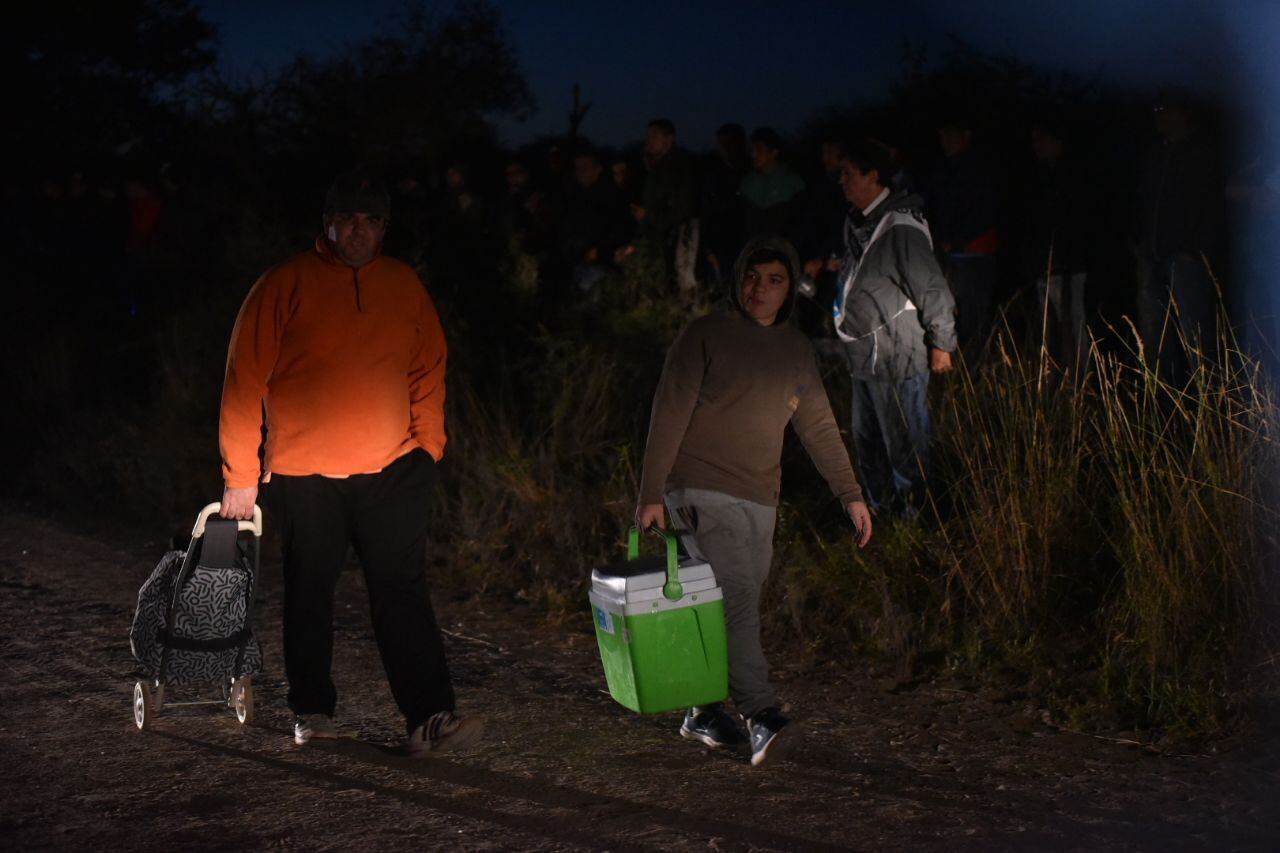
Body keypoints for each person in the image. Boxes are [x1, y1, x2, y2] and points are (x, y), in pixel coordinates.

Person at [217, 172, 482, 756]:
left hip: (391, 468)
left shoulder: (402, 283)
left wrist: (426, 444)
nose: (359, 231)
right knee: (311, 589)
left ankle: (429, 719)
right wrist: (240, 476)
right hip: (305, 472)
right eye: (349, 219)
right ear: (328, 223)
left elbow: (429, 363)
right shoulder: (284, 283)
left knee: (402, 590)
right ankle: (312, 710)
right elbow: (243, 379)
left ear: (384, 228)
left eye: (372, 221)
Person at [635, 234, 873, 767]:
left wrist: (850, 494)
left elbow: (819, 427)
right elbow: (668, 411)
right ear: (737, 278)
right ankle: (762, 713)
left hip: (760, 495)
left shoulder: (793, 349)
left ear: (790, 287)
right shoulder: (706, 335)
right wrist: (651, 492)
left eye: (773, 280)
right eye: (751, 276)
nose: (759, 289)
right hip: (697, 487)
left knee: (731, 605)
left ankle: (701, 710)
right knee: (738, 597)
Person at [832, 141, 957, 518]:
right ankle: (879, 511)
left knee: (904, 441)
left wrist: (942, 343)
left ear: (873, 176)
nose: (841, 181)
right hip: (864, 357)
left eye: (848, 174)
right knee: (867, 439)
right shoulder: (859, 220)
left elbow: (932, 287)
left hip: (896, 355)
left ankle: (916, 516)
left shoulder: (900, 225)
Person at [1133, 89, 1223, 379]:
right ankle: (1165, 407)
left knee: (1195, 335)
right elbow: (1142, 200)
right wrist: (1140, 243)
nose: (1161, 116)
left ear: (1185, 114)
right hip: (1153, 255)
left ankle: (1209, 407)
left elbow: (1213, 206)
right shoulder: (1155, 154)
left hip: (1185, 259)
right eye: (1158, 110)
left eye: (1167, 110)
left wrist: (1194, 250)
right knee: (1155, 337)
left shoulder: (1201, 155)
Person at [739, 127, 806, 240]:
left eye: (759, 149)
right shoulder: (747, 182)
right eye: (752, 150)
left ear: (774, 152)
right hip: (753, 249)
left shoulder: (793, 182)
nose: (754, 154)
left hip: (783, 250)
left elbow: (801, 224)